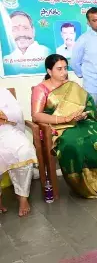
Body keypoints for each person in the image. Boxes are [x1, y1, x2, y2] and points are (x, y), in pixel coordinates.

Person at [32, 54, 97, 198]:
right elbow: (36, 115)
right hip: (56, 128)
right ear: (49, 71)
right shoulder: (40, 89)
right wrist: (64, 118)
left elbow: (88, 105)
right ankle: (81, 185)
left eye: (65, 68)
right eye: (59, 69)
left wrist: (84, 114)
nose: (64, 72)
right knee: (73, 144)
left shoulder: (72, 85)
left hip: (80, 122)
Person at [0, 88, 36, 217]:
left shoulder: (2, 92)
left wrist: (5, 114)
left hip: (5, 129)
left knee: (24, 150)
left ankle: (22, 196)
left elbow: (17, 114)